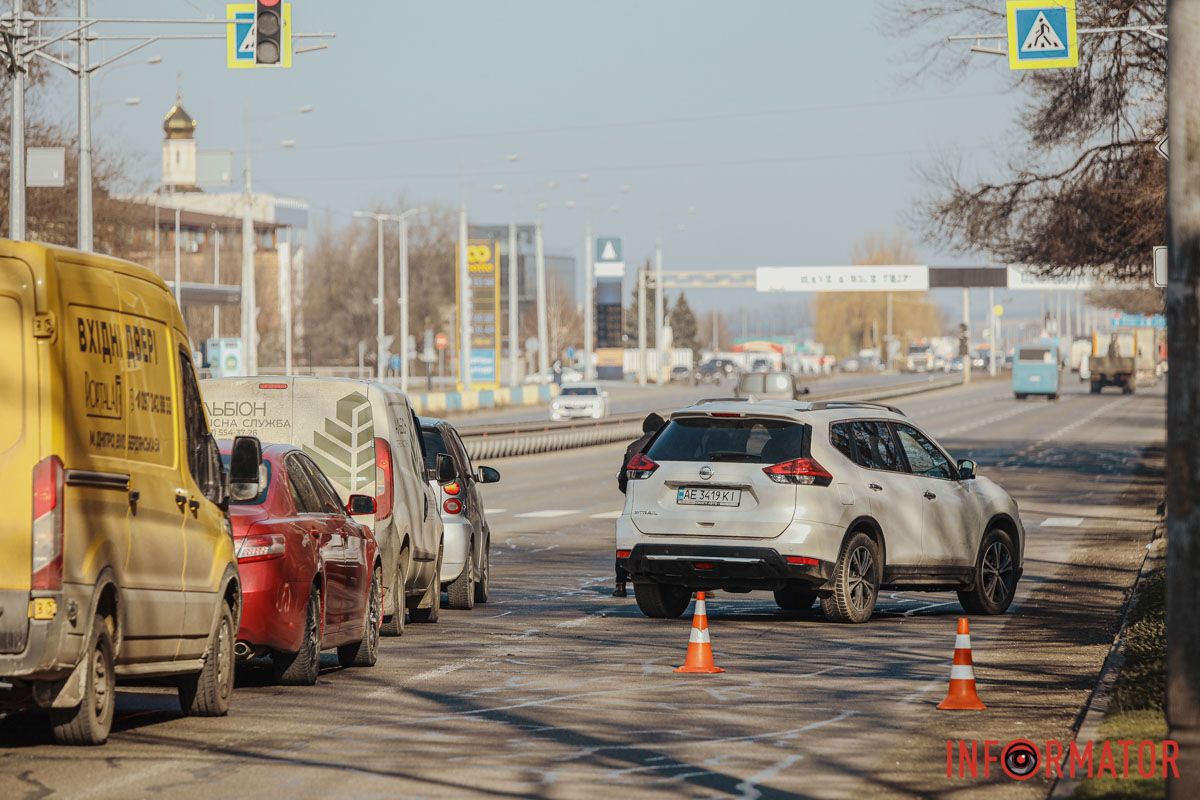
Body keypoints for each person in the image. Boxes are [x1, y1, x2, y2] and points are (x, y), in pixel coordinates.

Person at [613, 412, 665, 597]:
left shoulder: (632, 448)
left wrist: (633, 494)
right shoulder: (667, 447)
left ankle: (620, 585)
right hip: (663, 506)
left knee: (626, 540)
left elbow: (622, 481)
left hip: (637, 503)